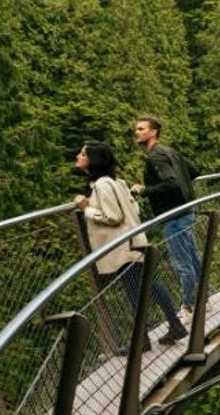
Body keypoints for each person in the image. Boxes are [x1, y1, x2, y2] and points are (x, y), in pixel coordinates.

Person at [73, 142, 187, 345]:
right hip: (132, 241)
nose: (78, 156)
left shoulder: (101, 185)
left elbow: (113, 216)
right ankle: (147, 336)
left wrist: (86, 209)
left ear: (94, 160)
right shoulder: (118, 182)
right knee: (139, 289)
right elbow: (134, 211)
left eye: (83, 154)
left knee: (143, 287)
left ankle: (166, 328)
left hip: (121, 247)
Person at [132, 115, 203, 323]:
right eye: (136, 129)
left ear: (153, 132)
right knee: (191, 256)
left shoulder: (155, 157)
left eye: (141, 129)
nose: (137, 132)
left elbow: (171, 182)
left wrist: (144, 190)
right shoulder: (170, 151)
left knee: (182, 263)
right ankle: (204, 296)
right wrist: (183, 192)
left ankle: (188, 307)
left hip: (174, 217)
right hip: (187, 211)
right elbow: (194, 171)